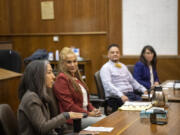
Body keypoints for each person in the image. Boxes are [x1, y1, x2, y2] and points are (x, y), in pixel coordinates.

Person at [18, 60, 83, 135]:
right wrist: (66, 115)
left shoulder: (41, 94)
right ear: (38, 76)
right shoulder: (31, 98)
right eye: (49, 72)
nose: (53, 76)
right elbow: (42, 128)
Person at [53, 47, 105, 129]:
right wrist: (88, 113)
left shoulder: (76, 77)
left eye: (74, 61)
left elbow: (86, 102)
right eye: (69, 62)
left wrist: (93, 109)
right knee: (105, 122)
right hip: (75, 119)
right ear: (63, 64)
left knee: (108, 119)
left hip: (85, 114)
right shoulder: (62, 79)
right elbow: (70, 106)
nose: (73, 65)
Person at [100, 44, 148, 111]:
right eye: (112, 52)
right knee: (137, 110)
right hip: (116, 98)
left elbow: (132, 81)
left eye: (117, 52)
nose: (115, 54)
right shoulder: (105, 68)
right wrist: (121, 95)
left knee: (147, 105)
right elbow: (108, 85)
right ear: (108, 55)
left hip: (131, 94)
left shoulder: (123, 66)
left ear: (119, 54)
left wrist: (144, 90)